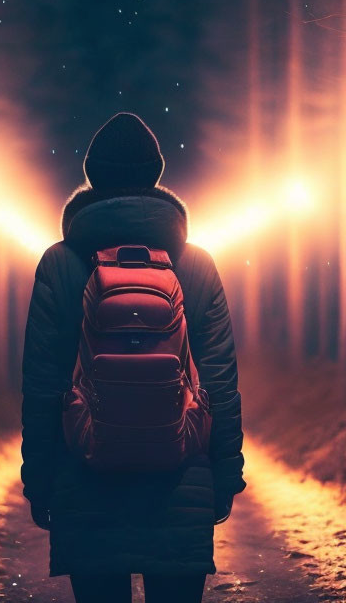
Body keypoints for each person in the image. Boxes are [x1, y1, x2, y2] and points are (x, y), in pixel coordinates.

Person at [20, 112, 245, 603]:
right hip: (180, 477)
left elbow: (40, 383)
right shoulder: (196, 264)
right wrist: (226, 474)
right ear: (156, 175)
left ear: (92, 175)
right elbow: (221, 382)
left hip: (84, 474)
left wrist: (39, 478)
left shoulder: (60, 263)